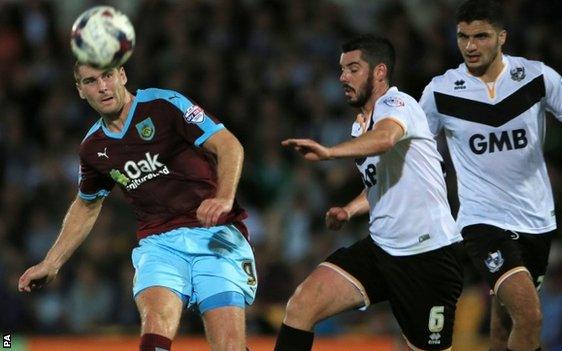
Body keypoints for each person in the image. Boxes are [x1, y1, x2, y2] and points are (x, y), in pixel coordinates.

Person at [419, 1, 562, 351]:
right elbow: (415, 145)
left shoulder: (537, 77)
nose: (470, 45)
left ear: (502, 37)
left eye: (481, 36)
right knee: (530, 316)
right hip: (482, 220)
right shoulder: (441, 91)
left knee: (504, 327)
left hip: (536, 219)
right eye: (463, 36)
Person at [18, 62, 257, 351]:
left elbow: (228, 145)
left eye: (107, 76)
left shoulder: (164, 104)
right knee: (155, 325)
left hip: (215, 235)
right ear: (80, 90)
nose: (103, 87)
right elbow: (86, 205)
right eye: (91, 81)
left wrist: (224, 197)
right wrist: (51, 262)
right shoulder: (93, 148)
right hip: (159, 245)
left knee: (229, 346)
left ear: (122, 75)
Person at [276, 34, 464, 351]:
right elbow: (380, 184)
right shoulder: (359, 126)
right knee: (302, 303)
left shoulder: (398, 104)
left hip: (428, 256)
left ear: (379, 72)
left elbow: (387, 138)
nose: (342, 77)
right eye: (341, 69)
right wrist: (349, 210)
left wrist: (329, 152)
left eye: (353, 69)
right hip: (380, 249)